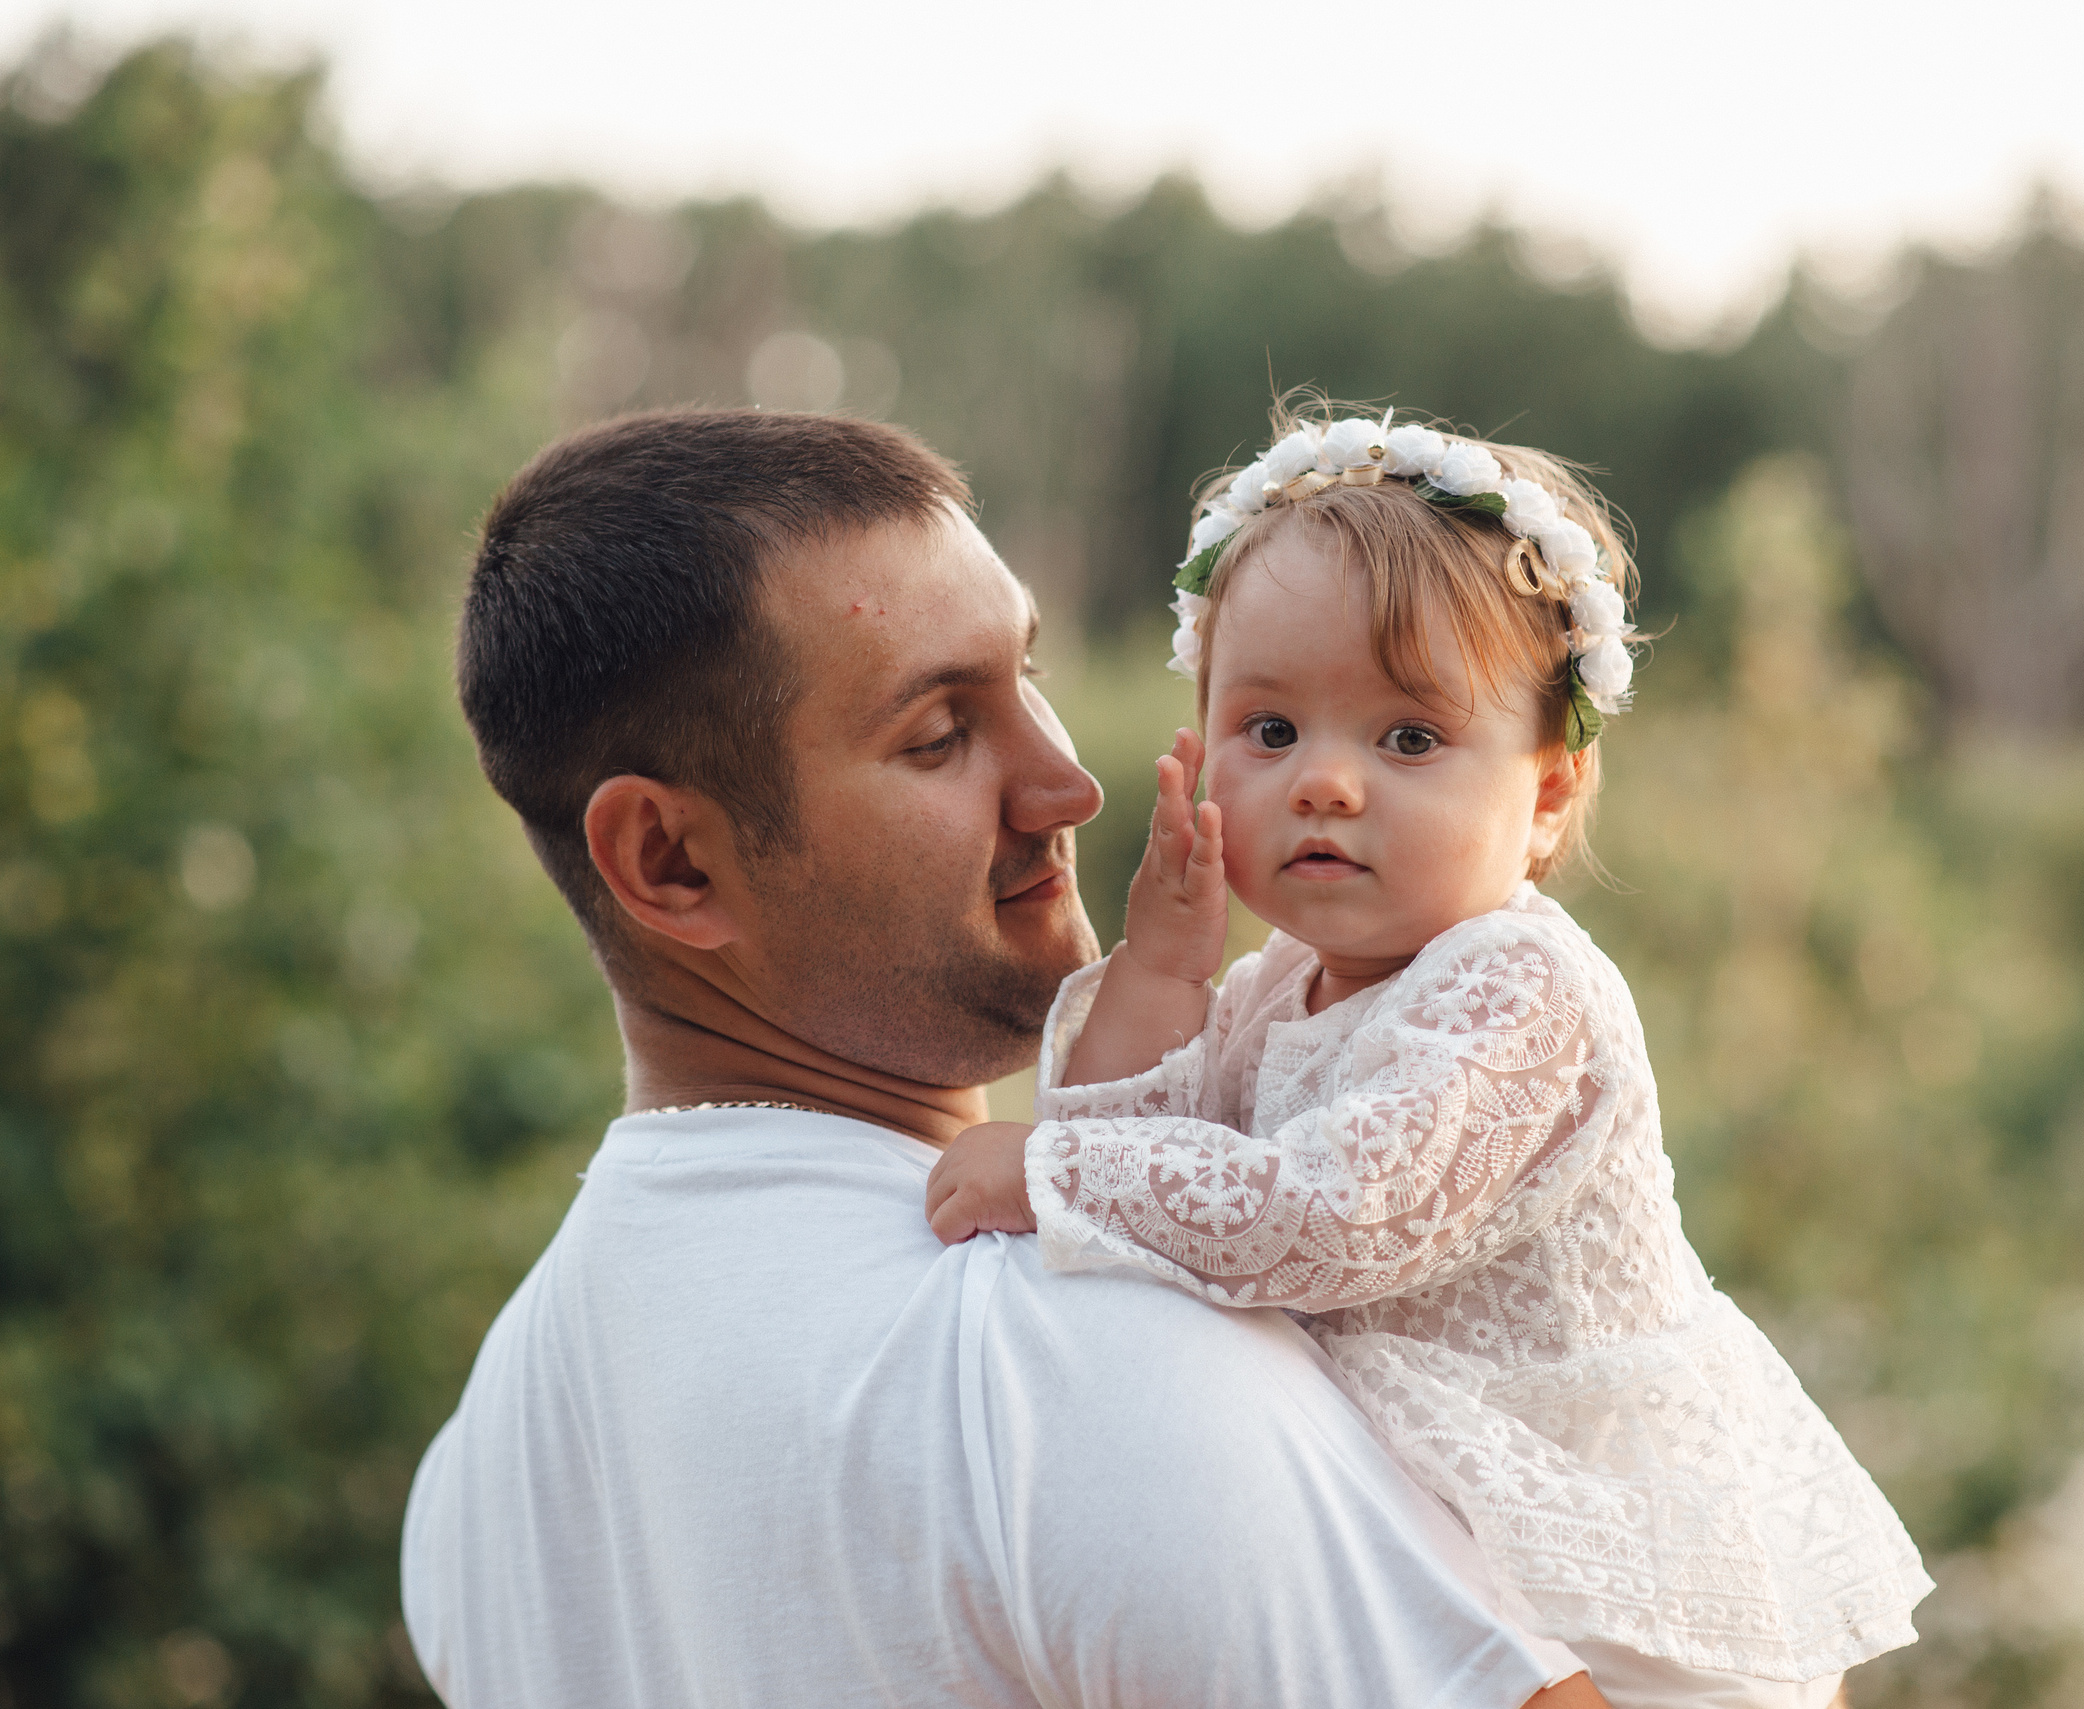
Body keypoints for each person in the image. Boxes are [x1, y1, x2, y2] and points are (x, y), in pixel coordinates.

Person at [398, 409, 1611, 1708]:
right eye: (939, 733)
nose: (1069, 782)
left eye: (1024, 674)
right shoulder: (1069, 1353)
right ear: (671, 860)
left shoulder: (479, 1475)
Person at [924, 408, 1935, 1708]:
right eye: (1270, 731)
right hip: (1445, 1547)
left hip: (1613, 1576)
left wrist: (1052, 1174)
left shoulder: (1520, 985)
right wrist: (1166, 972)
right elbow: (1146, 1168)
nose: (1326, 784)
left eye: (1408, 739)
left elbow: (1330, 1213)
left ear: (1552, 792)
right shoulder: (1273, 987)